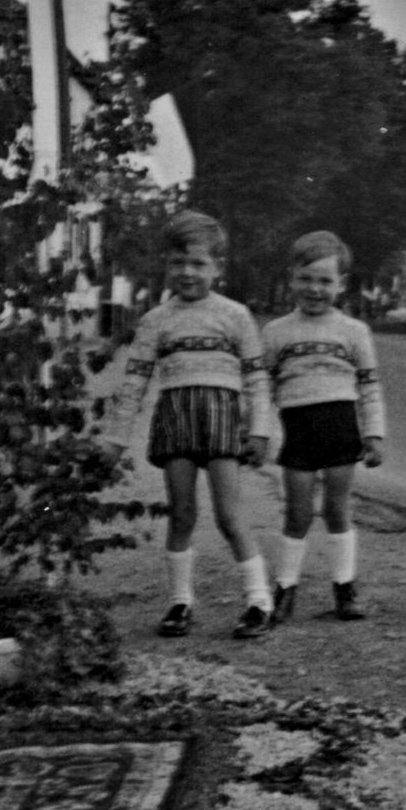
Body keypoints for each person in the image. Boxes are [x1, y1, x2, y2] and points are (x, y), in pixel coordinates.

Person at [102, 210, 276, 640]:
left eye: (198, 264)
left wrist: (259, 430)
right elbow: (135, 383)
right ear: (166, 265)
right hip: (176, 418)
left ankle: (258, 601)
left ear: (218, 267)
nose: (187, 272)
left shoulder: (235, 316)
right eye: (177, 263)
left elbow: (256, 379)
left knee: (228, 515)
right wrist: (115, 440)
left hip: (221, 419)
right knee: (181, 514)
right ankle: (180, 602)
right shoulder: (155, 320)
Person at [262, 231, 386, 624]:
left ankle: (345, 588)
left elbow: (369, 385)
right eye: (307, 278)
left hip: (340, 427)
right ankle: (285, 588)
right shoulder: (276, 332)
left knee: (337, 509)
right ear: (291, 278)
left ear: (342, 284)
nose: (315, 289)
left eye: (325, 280)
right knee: (297, 513)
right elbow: (261, 387)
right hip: (297, 428)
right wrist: (259, 432)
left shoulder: (354, 332)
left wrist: (375, 434)